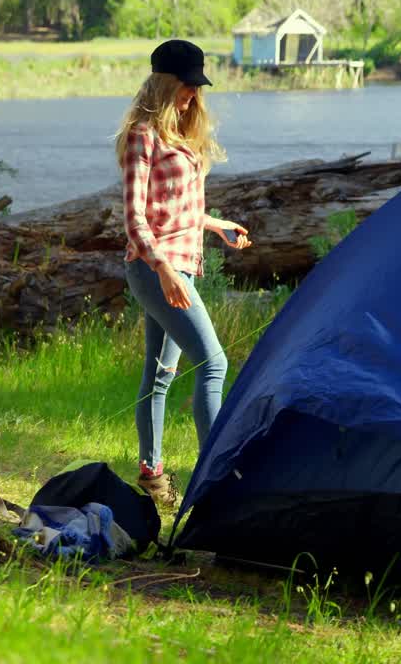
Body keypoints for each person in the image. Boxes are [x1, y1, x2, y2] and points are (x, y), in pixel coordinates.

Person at [115, 40, 252, 505]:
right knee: (213, 363)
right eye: (187, 86)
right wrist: (164, 270)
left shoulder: (183, 137)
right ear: (165, 84)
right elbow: (135, 219)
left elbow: (178, 209)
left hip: (180, 268)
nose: (193, 95)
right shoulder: (142, 135)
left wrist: (218, 225)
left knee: (158, 377)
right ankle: (214, 478)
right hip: (156, 270)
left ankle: (152, 479)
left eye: (197, 87)